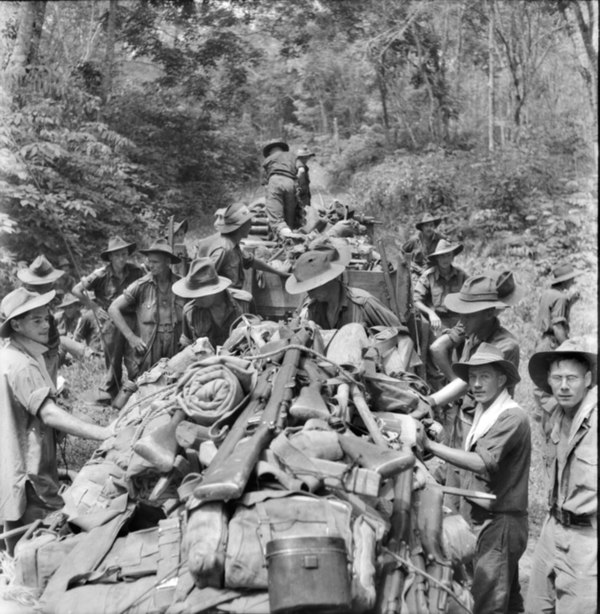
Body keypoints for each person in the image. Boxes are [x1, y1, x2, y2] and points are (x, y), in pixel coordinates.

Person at [0, 288, 113, 554]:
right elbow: (48, 413)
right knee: (45, 542)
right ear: (16, 324)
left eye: (46, 318)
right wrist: (104, 433)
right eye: (36, 320)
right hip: (31, 474)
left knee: (17, 536)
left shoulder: (10, 355)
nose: (46, 324)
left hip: (13, 466)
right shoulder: (22, 365)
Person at [421, 343, 530, 614]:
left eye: (485, 377)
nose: (477, 384)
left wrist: (431, 447)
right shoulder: (485, 412)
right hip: (485, 520)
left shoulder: (511, 417)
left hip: (501, 523)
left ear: (502, 379)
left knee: (487, 604)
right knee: (509, 601)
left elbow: (481, 463)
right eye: (472, 378)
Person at [427, 273, 521, 513]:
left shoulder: (505, 345)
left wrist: (432, 401)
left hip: (484, 428)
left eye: (468, 315)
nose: (461, 320)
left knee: (474, 496)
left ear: (490, 313)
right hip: (463, 420)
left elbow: (468, 381)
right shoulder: (472, 333)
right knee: (452, 489)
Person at [525, 337, 597, 614]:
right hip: (552, 526)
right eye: (557, 378)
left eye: (572, 378)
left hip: (587, 540)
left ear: (588, 378)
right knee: (536, 608)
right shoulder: (556, 414)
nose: (564, 386)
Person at [72, 236, 144, 403]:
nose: (122, 258)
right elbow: (76, 290)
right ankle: (111, 394)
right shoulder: (100, 275)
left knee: (135, 357)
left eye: (125, 254)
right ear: (110, 257)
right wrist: (94, 307)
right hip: (110, 323)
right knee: (113, 360)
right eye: (118, 255)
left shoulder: (136, 271)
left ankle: (137, 390)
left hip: (132, 318)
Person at [108, 239, 185, 379]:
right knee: (146, 383)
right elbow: (113, 309)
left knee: (176, 381)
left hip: (176, 342)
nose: (150, 265)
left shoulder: (181, 285)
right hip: (150, 345)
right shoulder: (141, 286)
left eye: (155, 262)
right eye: (149, 261)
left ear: (167, 262)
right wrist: (131, 338)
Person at [286, 248, 401, 329]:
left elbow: (400, 333)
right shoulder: (313, 308)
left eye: (312, 289)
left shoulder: (363, 304)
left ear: (327, 281)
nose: (310, 295)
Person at [414, 239, 468, 389]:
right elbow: (416, 300)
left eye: (448, 255)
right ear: (437, 258)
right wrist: (431, 313)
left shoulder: (461, 275)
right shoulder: (428, 276)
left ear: (453, 257)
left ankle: (463, 392)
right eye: (442, 256)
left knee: (465, 357)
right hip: (439, 320)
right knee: (437, 353)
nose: (445, 259)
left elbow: (471, 298)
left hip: (459, 319)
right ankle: (443, 392)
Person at [208, 201, 290, 291]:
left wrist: (279, 272)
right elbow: (207, 277)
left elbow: (252, 261)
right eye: (248, 222)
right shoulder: (224, 249)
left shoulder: (234, 246)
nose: (250, 226)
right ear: (240, 226)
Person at [172, 258, 245, 349]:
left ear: (215, 290)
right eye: (193, 295)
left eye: (201, 295)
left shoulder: (243, 304)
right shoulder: (190, 312)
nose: (196, 300)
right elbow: (186, 343)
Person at [17, 255, 65, 385]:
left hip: (50, 343)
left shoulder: (48, 295)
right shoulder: (23, 298)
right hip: (30, 345)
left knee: (49, 382)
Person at [535, 263, 581, 351]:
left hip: (542, 343)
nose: (573, 281)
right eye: (571, 279)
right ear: (565, 281)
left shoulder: (546, 293)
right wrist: (570, 347)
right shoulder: (561, 298)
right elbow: (557, 328)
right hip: (553, 345)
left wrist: (570, 304)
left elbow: (550, 316)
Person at [261, 139, 302, 238]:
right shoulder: (292, 156)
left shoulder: (268, 160)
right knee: (290, 214)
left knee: (276, 216)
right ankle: (291, 237)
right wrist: (295, 181)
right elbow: (301, 170)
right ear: (282, 149)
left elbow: (264, 183)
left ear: (270, 151)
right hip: (290, 182)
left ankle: (280, 237)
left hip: (274, 181)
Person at [295, 145, 315, 210]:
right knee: (304, 214)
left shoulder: (301, 165)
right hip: (301, 196)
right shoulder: (300, 165)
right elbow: (300, 172)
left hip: (302, 195)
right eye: (307, 157)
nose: (307, 159)